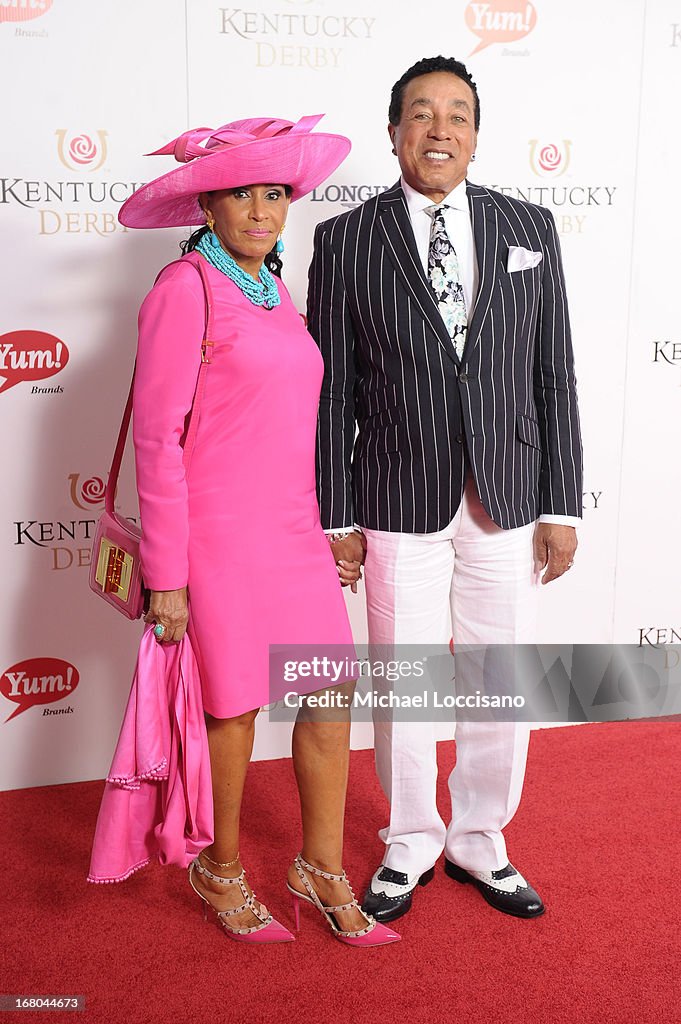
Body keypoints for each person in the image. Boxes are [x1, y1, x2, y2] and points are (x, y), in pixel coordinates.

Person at [308, 57, 583, 923]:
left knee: (498, 675)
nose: (439, 129)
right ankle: (409, 840)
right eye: (420, 114)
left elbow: (555, 374)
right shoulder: (346, 239)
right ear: (393, 131)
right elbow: (332, 390)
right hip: (393, 497)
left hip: (507, 492)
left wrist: (563, 502)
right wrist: (336, 513)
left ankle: (480, 839)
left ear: (474, 134)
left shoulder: (528, 223)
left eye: (456, 115)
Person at [115, 116, 400, 947]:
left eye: (275, 193)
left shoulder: (274, 292)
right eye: (243, 191)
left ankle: (318, 868)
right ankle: (222, 867)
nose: (262, 209)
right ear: (209, 203)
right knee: (234, 706)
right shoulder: (183, 289)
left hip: (290, 530)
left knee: (327, 690)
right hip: (217, 537)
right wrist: (166, 573)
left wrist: (323, 526)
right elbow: (157, 438)